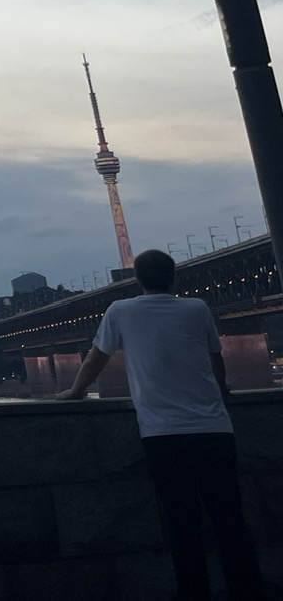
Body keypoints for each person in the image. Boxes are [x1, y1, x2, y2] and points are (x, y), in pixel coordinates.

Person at [59, 248, 260, 600]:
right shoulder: (197, 308)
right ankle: (247, 591)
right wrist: (221, 391)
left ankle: (193, 593)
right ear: (174, 277)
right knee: (230, 520)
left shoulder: (120, 310)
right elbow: (216, 359)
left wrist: (76, 391)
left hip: (163, 434)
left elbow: (96, 358)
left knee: (183, 523)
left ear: (137, 279)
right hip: (213, 428)